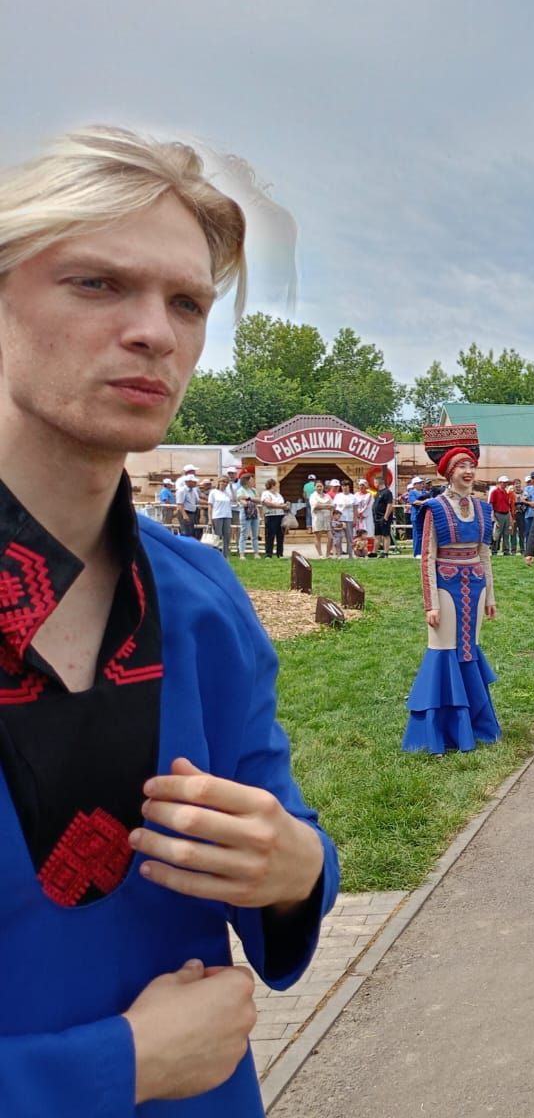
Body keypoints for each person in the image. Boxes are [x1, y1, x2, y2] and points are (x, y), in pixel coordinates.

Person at [0, 124, 338, 1114]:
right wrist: (118, 1067)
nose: (155, 331)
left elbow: (281, 831)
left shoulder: (201, 600)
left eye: (187, 302)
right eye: (97, 283)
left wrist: (298, 869)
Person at [403, 428, 500, 754]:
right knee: (444, 651)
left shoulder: (483, 509)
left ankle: (475, 726)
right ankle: (438, 732)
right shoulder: (434, 508)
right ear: (448, 472)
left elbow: (484, 555)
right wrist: (430, 604)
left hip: (476, 587)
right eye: (461, 466)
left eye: (471, 465)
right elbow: (427, 558)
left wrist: (491, 596)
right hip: (446, 589)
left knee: (470, 650)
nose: (468, 471)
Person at [261, 477, 288, 558]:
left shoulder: (278, 494)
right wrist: (281, 506)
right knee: (270, 535)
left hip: (280, 516)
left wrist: (286, 506)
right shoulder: (266, 493)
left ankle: (280, 553)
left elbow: (282, 504)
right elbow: (268, 504)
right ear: (272, 485)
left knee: (280, 535)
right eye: (276, 484)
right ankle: (268, 554)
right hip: (271, 516)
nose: (277, 486)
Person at [206, 476, 233, 552]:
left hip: (227, 515)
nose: (225, 483)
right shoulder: (213, 492)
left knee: (227, 535)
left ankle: (225, 553)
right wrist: (210, 519)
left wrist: (231, 488)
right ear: (219, 482)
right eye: (223, 481)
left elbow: (234, 499)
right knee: (217, 535)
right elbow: (210, 506)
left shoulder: (228, 493)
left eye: (226, 482)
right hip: (217, 516)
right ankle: (216, 552)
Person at [309, 479, 333, 558]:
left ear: (323, 487)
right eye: (317, 486)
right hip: (317, 518)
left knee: (331, 538)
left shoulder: (327, 496)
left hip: (327, 519)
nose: (319, 488)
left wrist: (323, 506)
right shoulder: (313, 496)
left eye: (321, 486)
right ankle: (320, 555)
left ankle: (328, 554)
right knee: (318, 537)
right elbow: (315, 506)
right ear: (315, 487)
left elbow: (332, 506)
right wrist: (327, 506)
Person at [373, 475, 394, 558]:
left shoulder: (387, 492)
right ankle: (374, 552)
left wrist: (386, 516)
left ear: (378, 483)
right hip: (377, 517)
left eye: (375, 482)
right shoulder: (378, 492)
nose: (374, 484)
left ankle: (385, 553)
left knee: (385, 535)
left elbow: (390, 504)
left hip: (383, 517)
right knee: (377, 535)